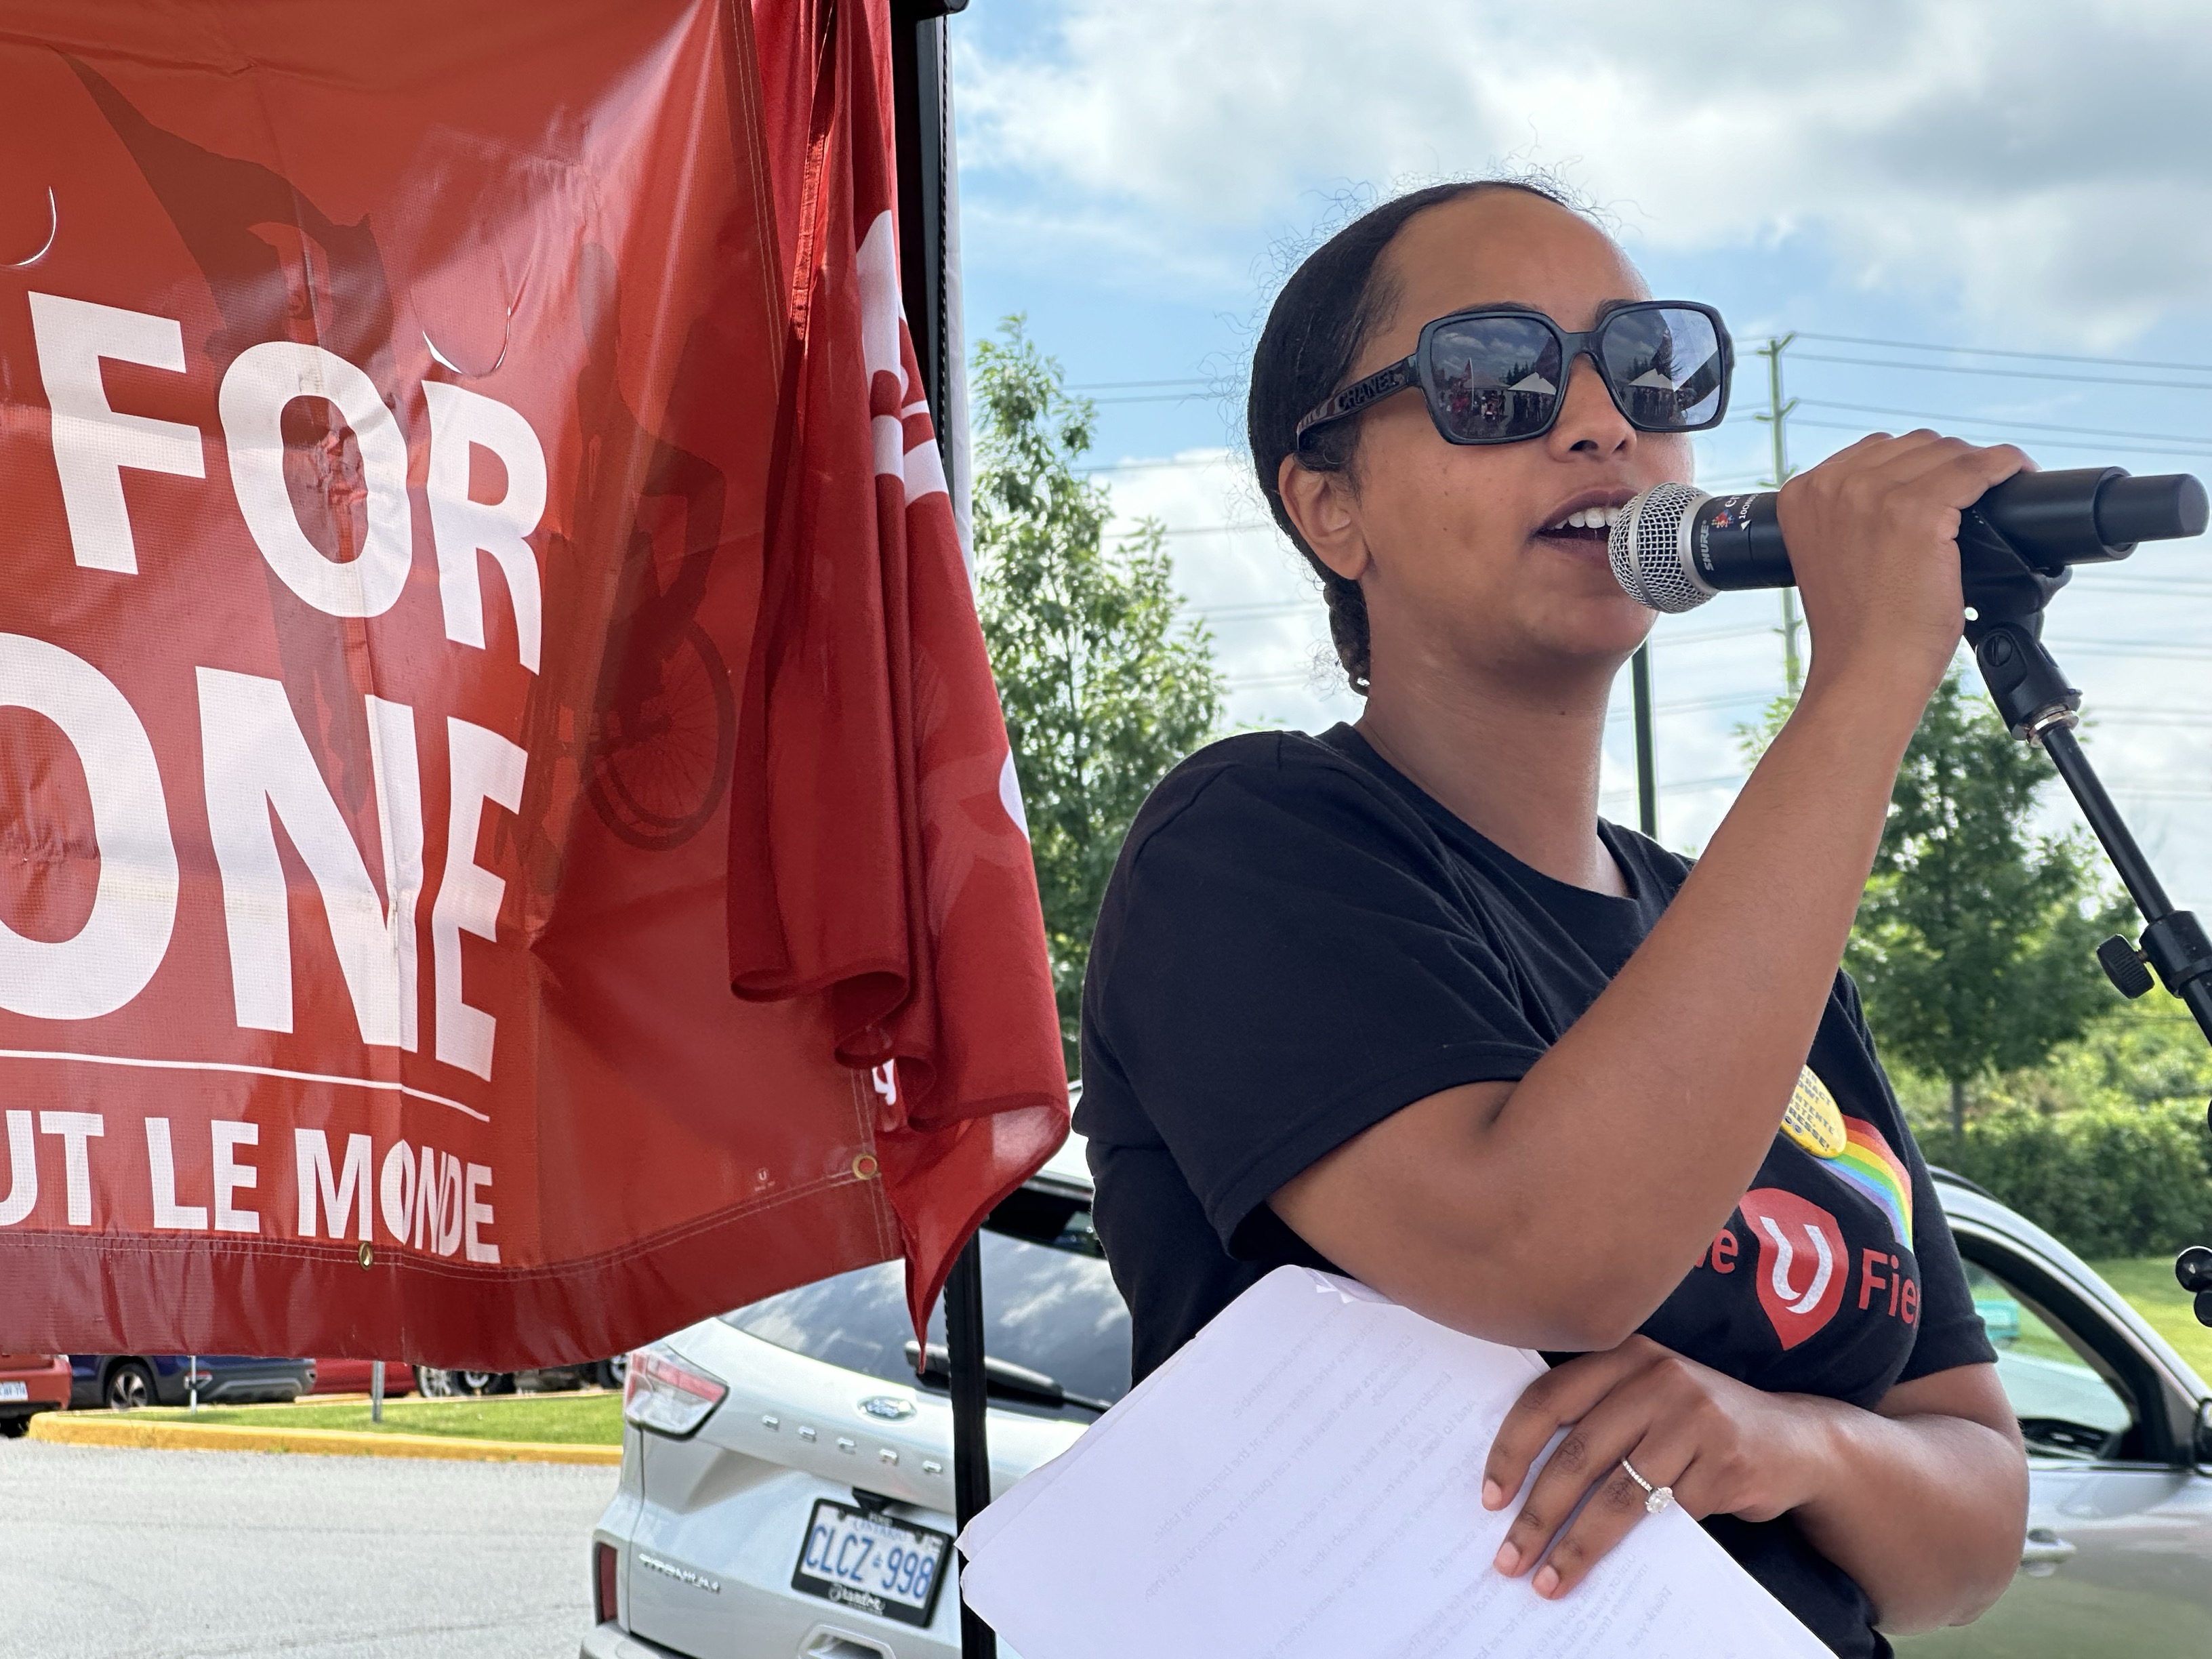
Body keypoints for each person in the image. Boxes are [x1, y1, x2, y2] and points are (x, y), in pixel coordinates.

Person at [1073, 179, 2029, 1659]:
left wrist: (1784, 1441)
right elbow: (1548, 1255)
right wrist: (1865, 680)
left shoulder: (1747, 939)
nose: (1599, 423)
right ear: (1330, 507)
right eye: (1495, 375)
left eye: (1649, 367)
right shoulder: (1250, 844)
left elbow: (1972, 1526)